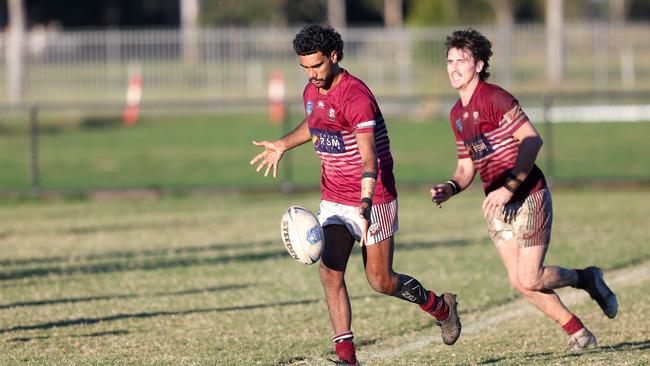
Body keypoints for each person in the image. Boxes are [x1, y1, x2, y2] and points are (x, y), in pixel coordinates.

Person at [250, 24, 461, 365]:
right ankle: (347, 358)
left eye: (316, 66)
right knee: (330, 272)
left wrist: (364, 204)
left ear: (334, 56)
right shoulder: (310, 91)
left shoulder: (356, 96)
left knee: (381, 281)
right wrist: (282, 144)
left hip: (373, 198)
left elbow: (369, 157)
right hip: (334, 197)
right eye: (304, 67)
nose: (311, 74)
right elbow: (315, 122)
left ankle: (440, 306)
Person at [431, 28, 618, 351]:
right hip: (498, 205)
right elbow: (465, 167)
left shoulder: (494, 98)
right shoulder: (457, 115)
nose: (454, 67)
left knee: (530, 277)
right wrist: (449, 188)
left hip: (528, 193)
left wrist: (508, 187)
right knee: (520, 281)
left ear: (479, 65)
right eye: (450, 60)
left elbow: (532, 140)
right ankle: (580, 334)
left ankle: (586, 278)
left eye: (462, 60)